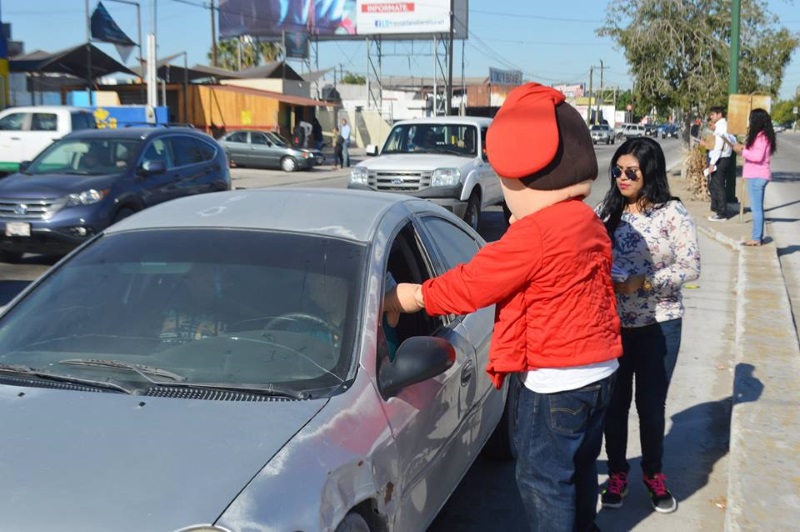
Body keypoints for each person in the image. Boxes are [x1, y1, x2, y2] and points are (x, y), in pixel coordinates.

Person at [384, 83, 622, 532]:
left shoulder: (534, 235)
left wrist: (411, 296)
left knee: (542, 480)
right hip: (600, 372)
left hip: (556, 380)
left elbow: (473, 284)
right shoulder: (584, 220)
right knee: (580, 470)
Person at [595, 137, 701, 515]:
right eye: (617, 170)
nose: (621, 178)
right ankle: (619, 474)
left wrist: (646, 281)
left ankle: (653, 474)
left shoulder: (672, 213)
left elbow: (691, 266)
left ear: (649, 173)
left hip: (661, 325)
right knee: (615, 405)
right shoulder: (607, 210)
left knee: (651, 407)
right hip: (614, 326)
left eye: (631, 172)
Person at [732, 108, 777, 247]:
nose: (749, 121)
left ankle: (757, 238)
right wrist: (744, 149)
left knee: (756, 209)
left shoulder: (761, 137)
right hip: (756, 175)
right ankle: (758, 237)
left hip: (757, 176)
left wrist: (742, 150)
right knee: (757, 208)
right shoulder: (761, 136)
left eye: (751, 118)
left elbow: (757, 157)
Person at [160, 264, 227, 345]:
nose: (208, 278)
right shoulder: (166, 311)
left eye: (209, 274)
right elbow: (147, 344)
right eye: (201, 274)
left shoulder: (230, 316)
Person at [705, 106, 732, 221]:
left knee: (718, 185)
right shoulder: (720, 126)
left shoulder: (721, 128)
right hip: (721, 158)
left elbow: (718, 147)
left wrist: (712, 163)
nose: (711, 117)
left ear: (719, 114)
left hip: (720, 159)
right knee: (714, 185)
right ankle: (717, 209)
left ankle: (722, 213)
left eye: (713, 114)